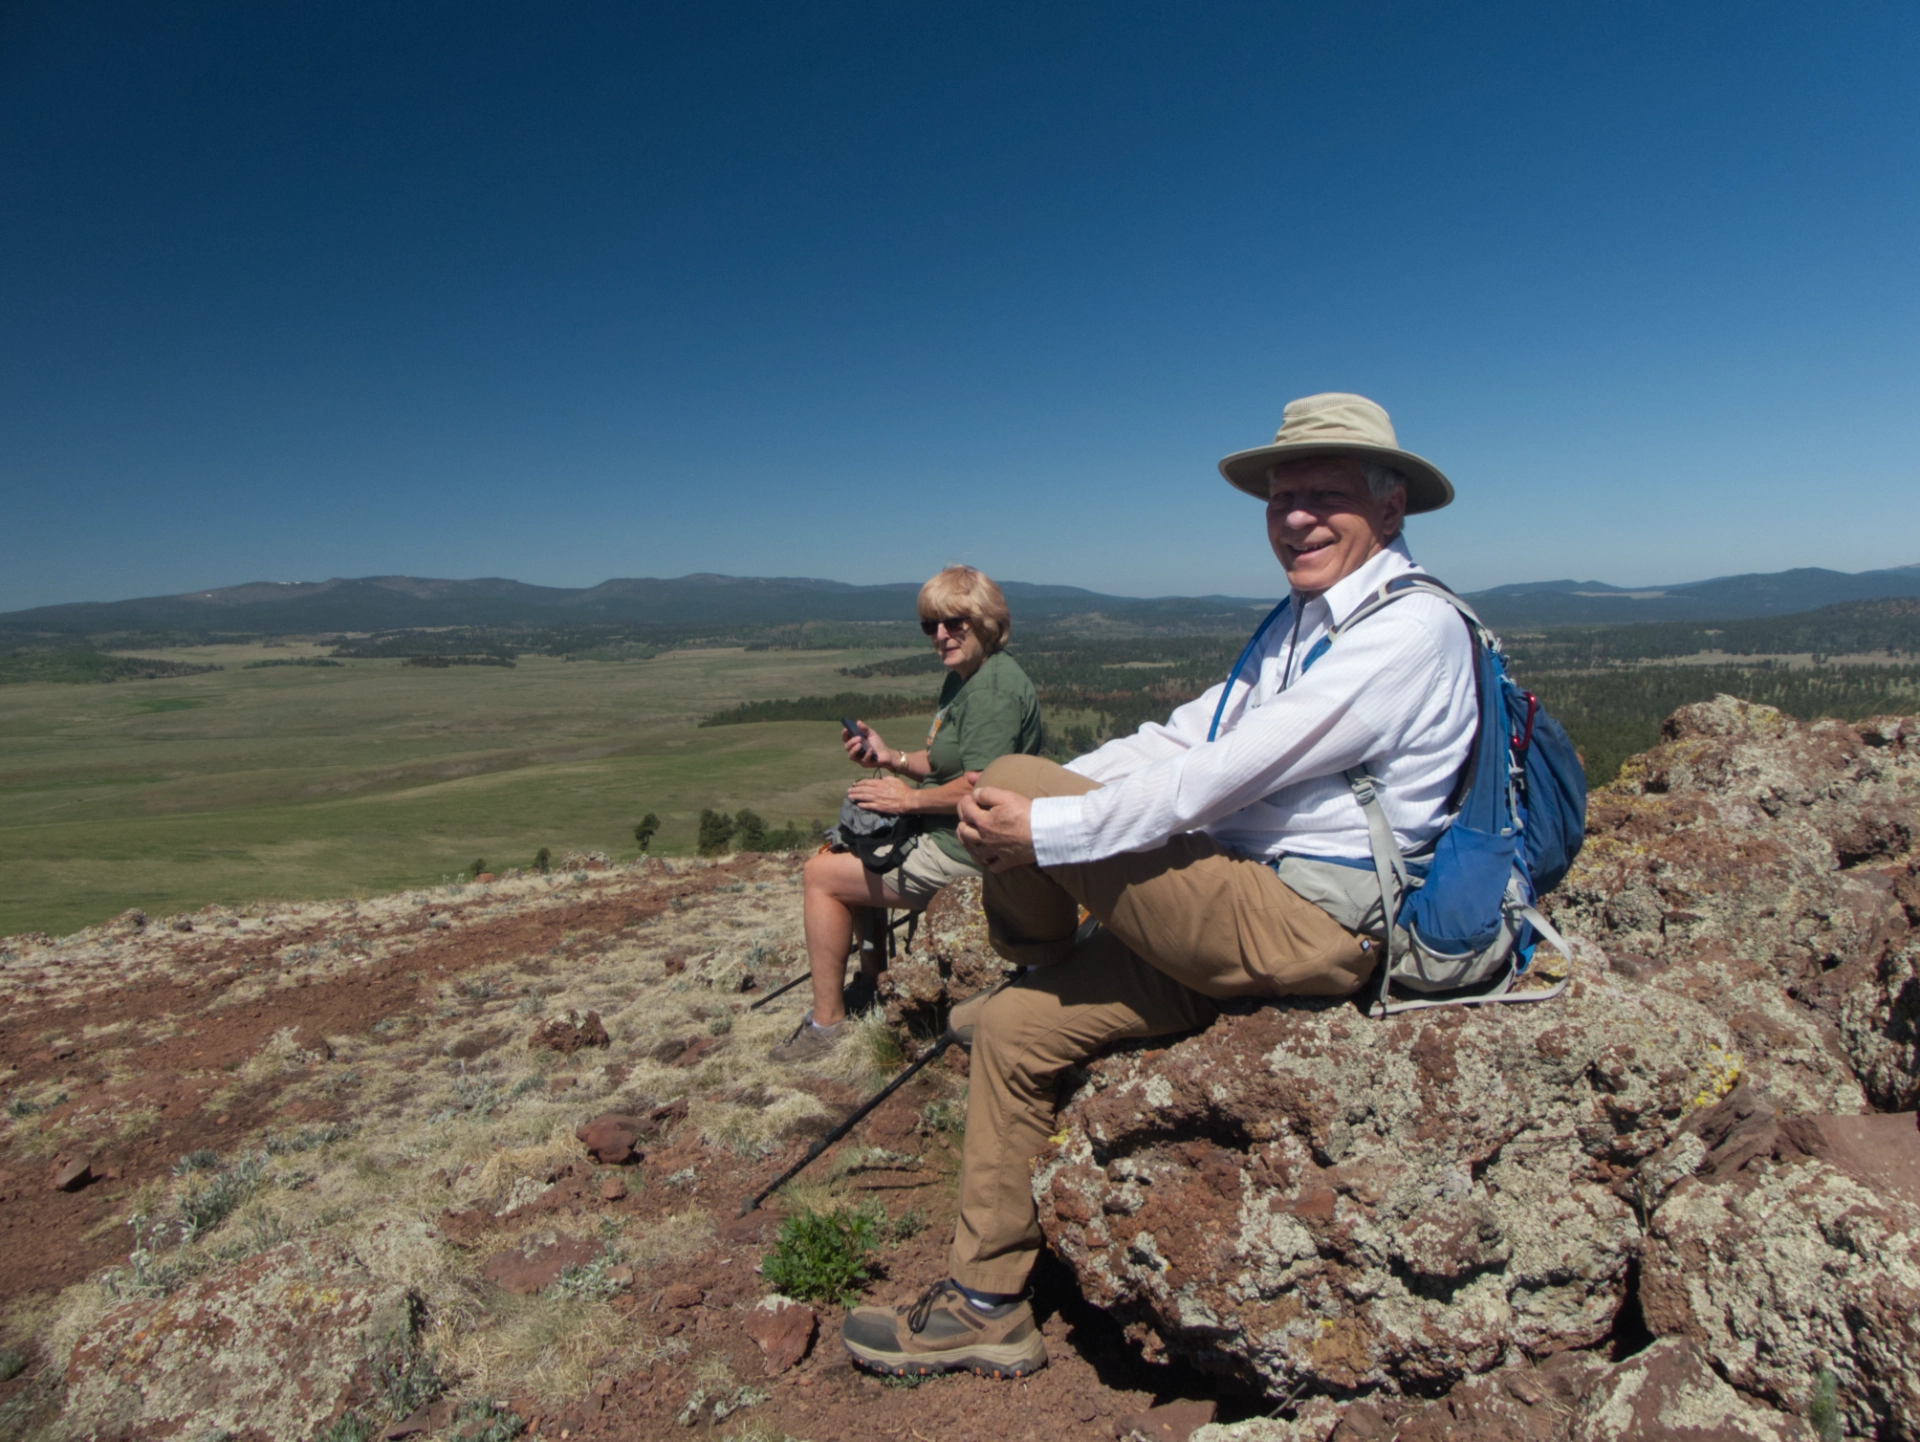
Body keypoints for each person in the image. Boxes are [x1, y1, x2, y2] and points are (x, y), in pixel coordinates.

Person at [838, 393, 1477, 1379]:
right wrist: (1075, 793)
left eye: (1326, 495)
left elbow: (1222, 774)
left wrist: (1046, 823)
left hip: (1307, 919)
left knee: (1006, 783)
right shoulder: (1299, 620)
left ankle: (1042, 939)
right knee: (1013, 1028)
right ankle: (985, 1303)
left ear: (1392, 510)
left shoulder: (1411, 629)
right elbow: (1184, 734)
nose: (1296, 514)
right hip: (1227, 905)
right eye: (1282, 495)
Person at [769, 565, 1044, 1064]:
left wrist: (909, 801)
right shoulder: (965, 679)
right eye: (930, 626)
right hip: (948, 834)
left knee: (820, 876)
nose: (941, 636)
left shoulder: (991, 690)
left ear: (984, 620)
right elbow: (941, 764)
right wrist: (890, 757)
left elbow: (981, 786)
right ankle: (874, 980)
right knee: (855, 847)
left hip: (968, 850)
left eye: (954, 622)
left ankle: (826, 1026)